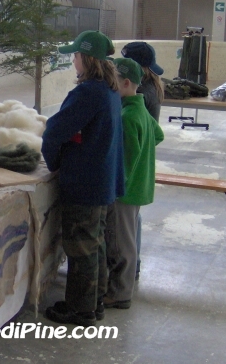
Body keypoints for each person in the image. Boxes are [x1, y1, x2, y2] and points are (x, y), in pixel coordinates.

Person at [41, 30, 125, 327]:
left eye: (75, 55)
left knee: (81, 247)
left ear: (86, 59)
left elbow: (54, 131)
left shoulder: (88, 93)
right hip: (103, 180)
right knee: (96, 243)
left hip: (85, 182)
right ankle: (95, 301)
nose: (73, 60)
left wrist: (53, 162)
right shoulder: (110, 90)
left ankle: (80, 310)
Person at [104, 58, 164, 310]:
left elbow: (125, 162)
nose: (109, 87)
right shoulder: (140, 109)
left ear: (126, 83)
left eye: (112, 82)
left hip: (125, 192)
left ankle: (120, 293)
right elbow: (158, 135)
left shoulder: (128, 116)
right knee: (125, 239)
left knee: (120, 244)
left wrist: (115, 187)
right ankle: (120, 288)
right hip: (140, 185)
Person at [121, 41, 165, 280]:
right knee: (132, 219)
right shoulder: (151, 87)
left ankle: (129, 270)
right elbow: (156, 134)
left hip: (133, 167)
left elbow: (142, 134)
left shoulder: (139, 97)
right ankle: (133, 264)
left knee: (126, 225)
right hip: (142, 163)